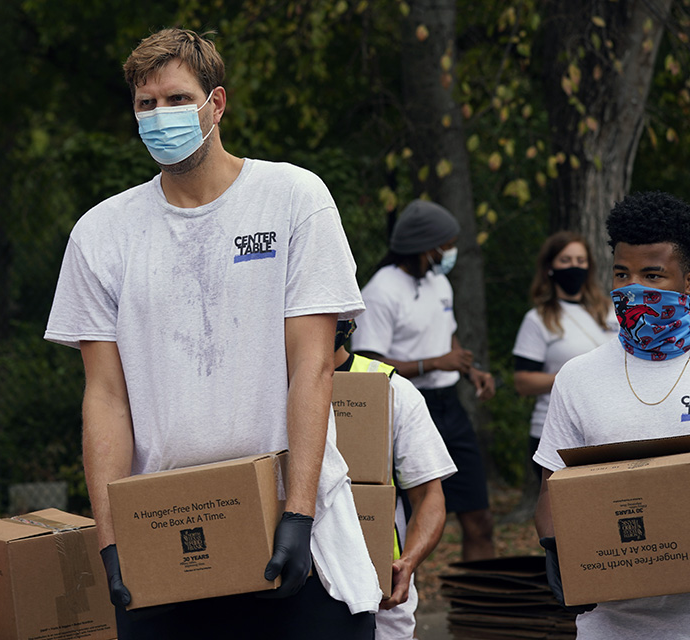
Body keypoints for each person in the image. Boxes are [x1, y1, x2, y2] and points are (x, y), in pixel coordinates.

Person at [45, 28, 378, 639]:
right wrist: (113, 541)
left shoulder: (293, 200)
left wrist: (298, 516)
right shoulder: (101, 233)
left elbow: (312, 368)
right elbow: (106, 398)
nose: (159, 116)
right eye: (146, 105)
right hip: (165, 537)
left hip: (289, 525)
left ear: (216, 104)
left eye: (176, 99)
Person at [534, 191, 690, 638]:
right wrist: (555, 547)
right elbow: (552, 488)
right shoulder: (578, 377)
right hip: (611, 624)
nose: (633, 287)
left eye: (652, 274)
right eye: (622, 273)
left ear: (688, 281)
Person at [350, 199, 495, 562]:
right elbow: (368, 364)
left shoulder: (439, 281)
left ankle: (480, 613)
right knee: (410, 520)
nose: (450, 253)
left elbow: (448, 336)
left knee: (480, 517)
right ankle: (401, 593)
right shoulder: (381, 291)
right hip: (404, 410)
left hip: (450, 406)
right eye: (445, 246)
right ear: (425, 248)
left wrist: (467, 368)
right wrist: (434, 363)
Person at [334, 320, 455, 639]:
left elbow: (429, 495)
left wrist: (408, 563)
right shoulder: (262, 391)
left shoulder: (388, 387)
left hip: (379, 591)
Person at [512, 231, 617, 481]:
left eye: (581, 261)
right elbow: (522, 382)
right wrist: (572, 376)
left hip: (610, 428)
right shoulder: (538, 319)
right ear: (550, 267)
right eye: (566, 260)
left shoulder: (610, 311)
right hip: (557, 432)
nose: (574, 267)